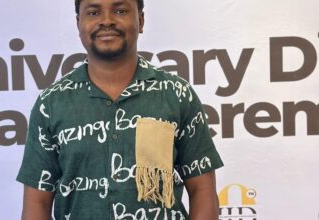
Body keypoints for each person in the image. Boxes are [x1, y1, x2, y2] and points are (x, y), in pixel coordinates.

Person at [17, 0, 224, 219]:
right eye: (94, 12)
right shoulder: (51, 103)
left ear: (141, 20)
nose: (107, 20)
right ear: (79, 24)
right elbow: (37, 203)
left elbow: (202, 190)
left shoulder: (176, 94)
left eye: (120, 10)